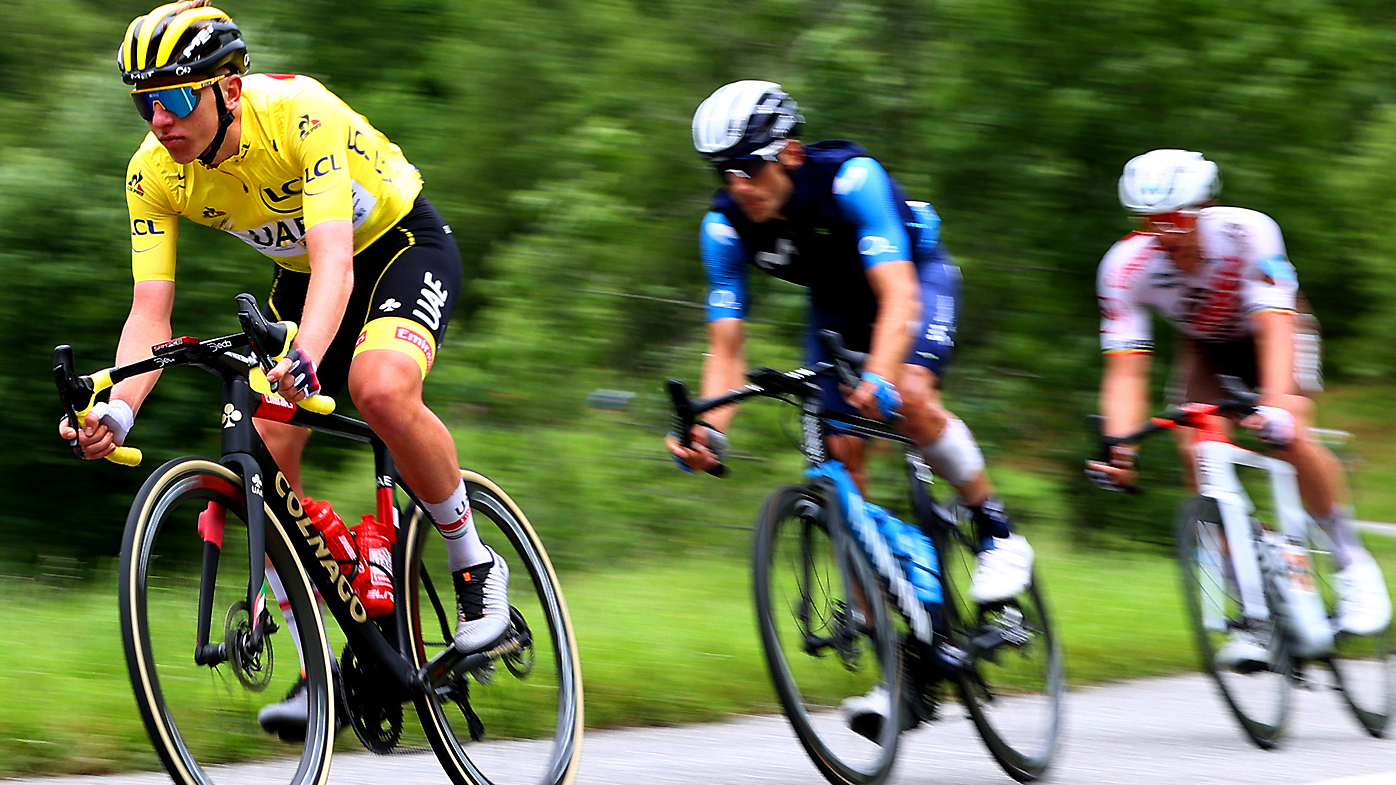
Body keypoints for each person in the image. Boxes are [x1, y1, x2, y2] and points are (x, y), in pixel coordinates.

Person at [58, 0, 510, 738]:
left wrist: (305, 357)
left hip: (396, 247)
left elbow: (338, 258)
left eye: (173, 97)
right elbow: (150, 312)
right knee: (257, 467)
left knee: (380, 387)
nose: (159, 120)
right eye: (144, 103)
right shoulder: (152, 174)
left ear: (228, 89)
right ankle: (317, 667)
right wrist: (117, 408)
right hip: (302, 281)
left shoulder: (299, 112)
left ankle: (474, 563)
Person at [668, 79, 1036, 736]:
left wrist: (886, 375)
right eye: (723, 173)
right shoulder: (723, 227)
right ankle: (898, 666)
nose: (738, 184)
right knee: (840, 456)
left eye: (749, 167)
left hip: (914, 279)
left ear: (790, 154)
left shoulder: (851, 180)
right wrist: (709, 430)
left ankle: (995, 529)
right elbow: (726, 348)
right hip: (836, 305)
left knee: (913, 399)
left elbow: (899, 299)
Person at [1088, 148, 1392, 670]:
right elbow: (1126, 371)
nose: (1167, 232)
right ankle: (1252, 609)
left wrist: (1275, 406)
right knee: (1197, 451)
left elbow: (1276, 324)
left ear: (1206, 206)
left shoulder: (1249, 232)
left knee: (1290, 432)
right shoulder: (1124, 269)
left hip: (1277, 330)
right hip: (1207, 346)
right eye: (1152, 221)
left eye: (1177, 217)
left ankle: (1351, 566)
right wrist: (1119, 447)